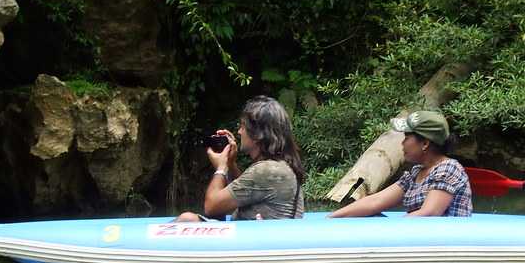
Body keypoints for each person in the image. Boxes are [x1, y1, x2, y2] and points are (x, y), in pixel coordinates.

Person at [175, 95, 305, 222]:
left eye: (243, 126)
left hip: (259, 241)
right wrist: (231, 164)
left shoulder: (267, 170)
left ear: (258, 134)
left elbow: (211, 207)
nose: (239, 132)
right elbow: (247, 191)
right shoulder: (279, 166)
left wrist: (221, 168)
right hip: (263, 238)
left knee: (186, 219)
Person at [329, 110, 472, 218]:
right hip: (422, 242)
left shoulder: (448, 169)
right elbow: (375, 201)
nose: (402, 143)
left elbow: (430, 213)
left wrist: (390, 230)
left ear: (425, 143)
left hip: (444, 247)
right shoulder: (416, 172)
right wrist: (333, 217)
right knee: (370, 215)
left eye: (406, 138)